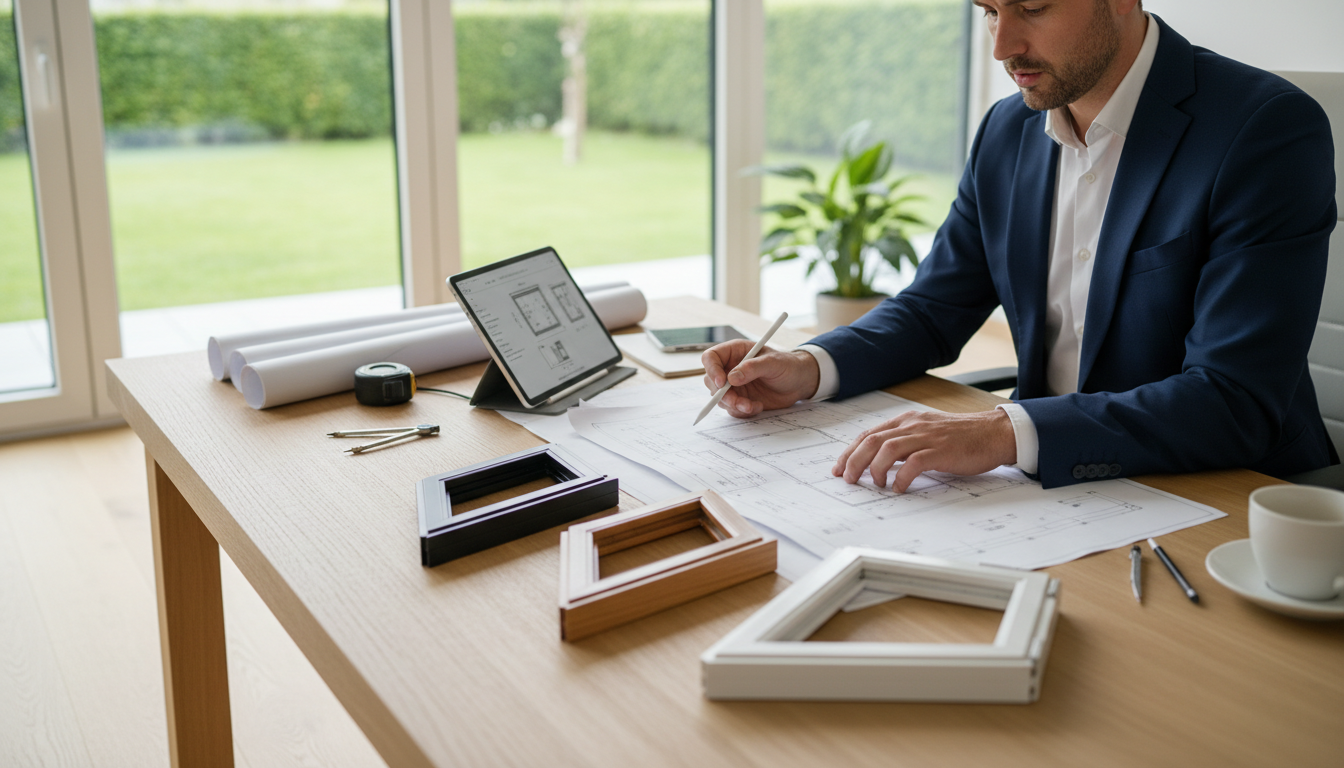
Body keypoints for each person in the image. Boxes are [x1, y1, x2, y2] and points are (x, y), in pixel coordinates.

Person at [702, 0, 1338, 491]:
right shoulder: (1007, 130)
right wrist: (811, 367)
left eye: (1032, 7)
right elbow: (933, 309)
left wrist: (1004, 431)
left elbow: (1233, 400)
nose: (1004, 46)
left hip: (1224, 497)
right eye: (988, 12)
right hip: (1054, 493)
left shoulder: (1265, 130)